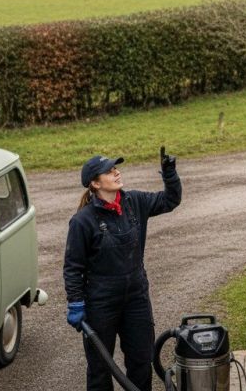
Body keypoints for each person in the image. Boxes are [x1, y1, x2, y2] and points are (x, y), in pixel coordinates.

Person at [63, 148, 182, 391]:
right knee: (99, 368)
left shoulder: (135, 202)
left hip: (136, 298)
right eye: (109, 170)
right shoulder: (82, 221)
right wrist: (76, 303)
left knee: (141, 362)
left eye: (116, 167)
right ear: (95, 183)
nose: (116, 172)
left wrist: (169, 174)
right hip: (100, 303)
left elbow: (170, 200)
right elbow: (73, 267)